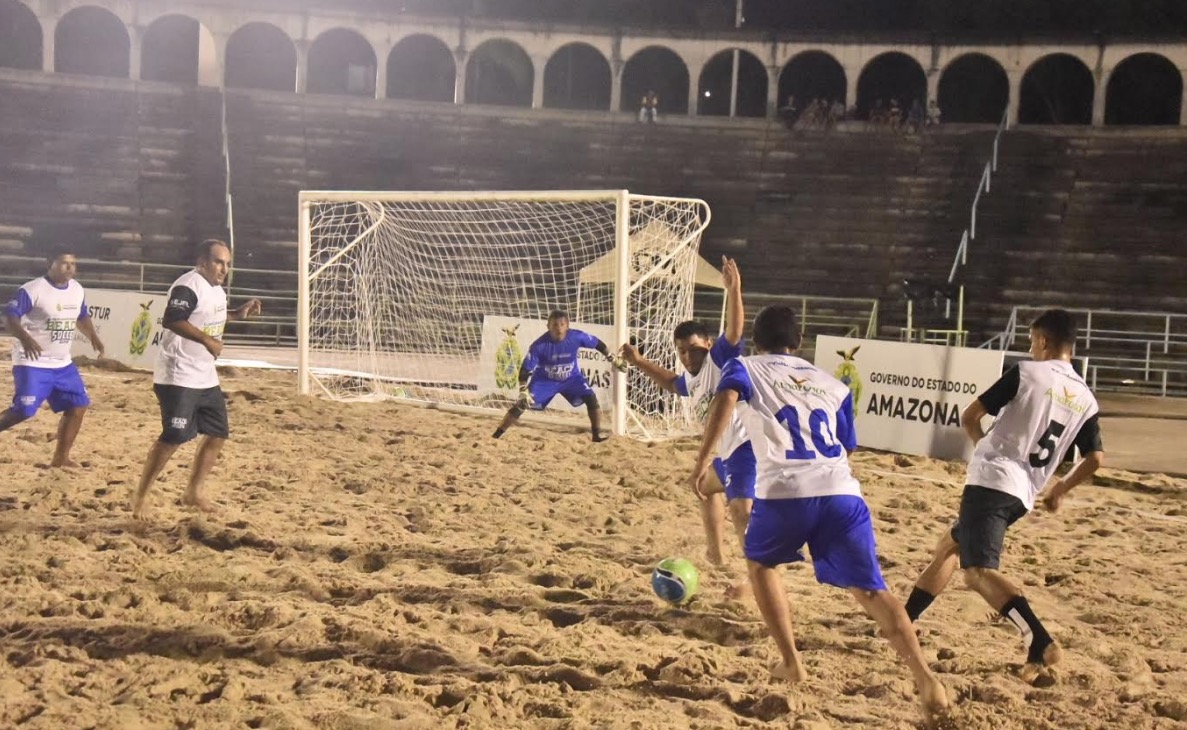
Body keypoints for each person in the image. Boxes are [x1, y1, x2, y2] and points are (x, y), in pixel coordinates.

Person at [690, 305, 950, 728]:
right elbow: (847, 446)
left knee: (759, 565)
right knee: (872, 592)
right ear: (800, 342)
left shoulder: (746, 367)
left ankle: (792, 662)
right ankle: (925, 678)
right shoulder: (831, 383)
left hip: (785, 493)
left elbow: (726, 398)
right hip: (842, 494)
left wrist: (702, 459)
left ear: (757, 341)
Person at [903, 308, 1104, 684]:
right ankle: (904, 620)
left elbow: (969, 416)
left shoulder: (1027, 372)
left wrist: (984, 450)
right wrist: (1061, 487)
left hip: (992, 482)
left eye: (1032, 341)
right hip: (1023, 494)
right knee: (949, 544)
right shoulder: (1086, 398)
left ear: (1043, 342)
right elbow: (1095, 459)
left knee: (978, 573)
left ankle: (1040, 640)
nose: (1031, 348)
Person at [620, 256, 753, 570]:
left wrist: (734, 290)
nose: (686, 354)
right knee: (703, 487)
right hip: (730, 451)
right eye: (680, 350)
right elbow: (670, 381)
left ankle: (755, 575)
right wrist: (639, 361)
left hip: (748, 447)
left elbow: (734, 330)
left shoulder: (718, 359)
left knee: (742, 512)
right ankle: (717, 557)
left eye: (692, 347)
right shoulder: (691, 378)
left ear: (707, 343)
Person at [131, 239, 262, 520]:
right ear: (202, 262)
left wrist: (237, 314)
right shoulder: (188, 285)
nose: (224, 268)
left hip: (204, 376)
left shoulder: (216, 289)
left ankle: (193, 492)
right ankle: (141, 496)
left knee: (217, 433)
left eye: (227, 263)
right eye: (218, 262)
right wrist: (206, 340)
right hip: (178, 375)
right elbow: (173, 319)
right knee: (174, 437)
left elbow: (208, 316)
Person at [1, 250, 105, 467]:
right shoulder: (32, 289)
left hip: (62, 364)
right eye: (65, 263)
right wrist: (26, 339)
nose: (70, 268)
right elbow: (11, 318)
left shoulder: (76, 289)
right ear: (50, 264)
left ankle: (61, 458)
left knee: (78, 407)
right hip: (32, 363)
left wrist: (93, 336)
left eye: (73, 264)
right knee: (24, 410)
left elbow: (82, 315)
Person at [492, 310, 626, 443]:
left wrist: (612, 358)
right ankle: (497, 435)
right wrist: (522, 390)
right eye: (555, 325)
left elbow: (598, 344)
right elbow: (525, 369)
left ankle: (596, 436)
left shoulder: (577, 337)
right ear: (548, 326)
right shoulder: (539, 345)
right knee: (522, 404)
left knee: (591, 398)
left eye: (562, 324)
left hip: (571, 379)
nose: (559, 328)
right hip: (545, 380)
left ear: (568, 326)